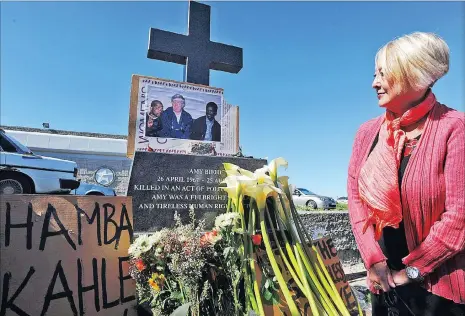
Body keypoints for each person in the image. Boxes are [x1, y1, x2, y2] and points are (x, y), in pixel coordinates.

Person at [347, 32, 464, 315]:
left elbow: (459, 215)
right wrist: (374, 261)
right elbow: (355, 196)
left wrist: (410, 271)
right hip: (384, 282)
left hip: (437, 290)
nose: (374, 83)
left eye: (383, 75)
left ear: (413, 75)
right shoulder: (367, 133)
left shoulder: (454, 128)